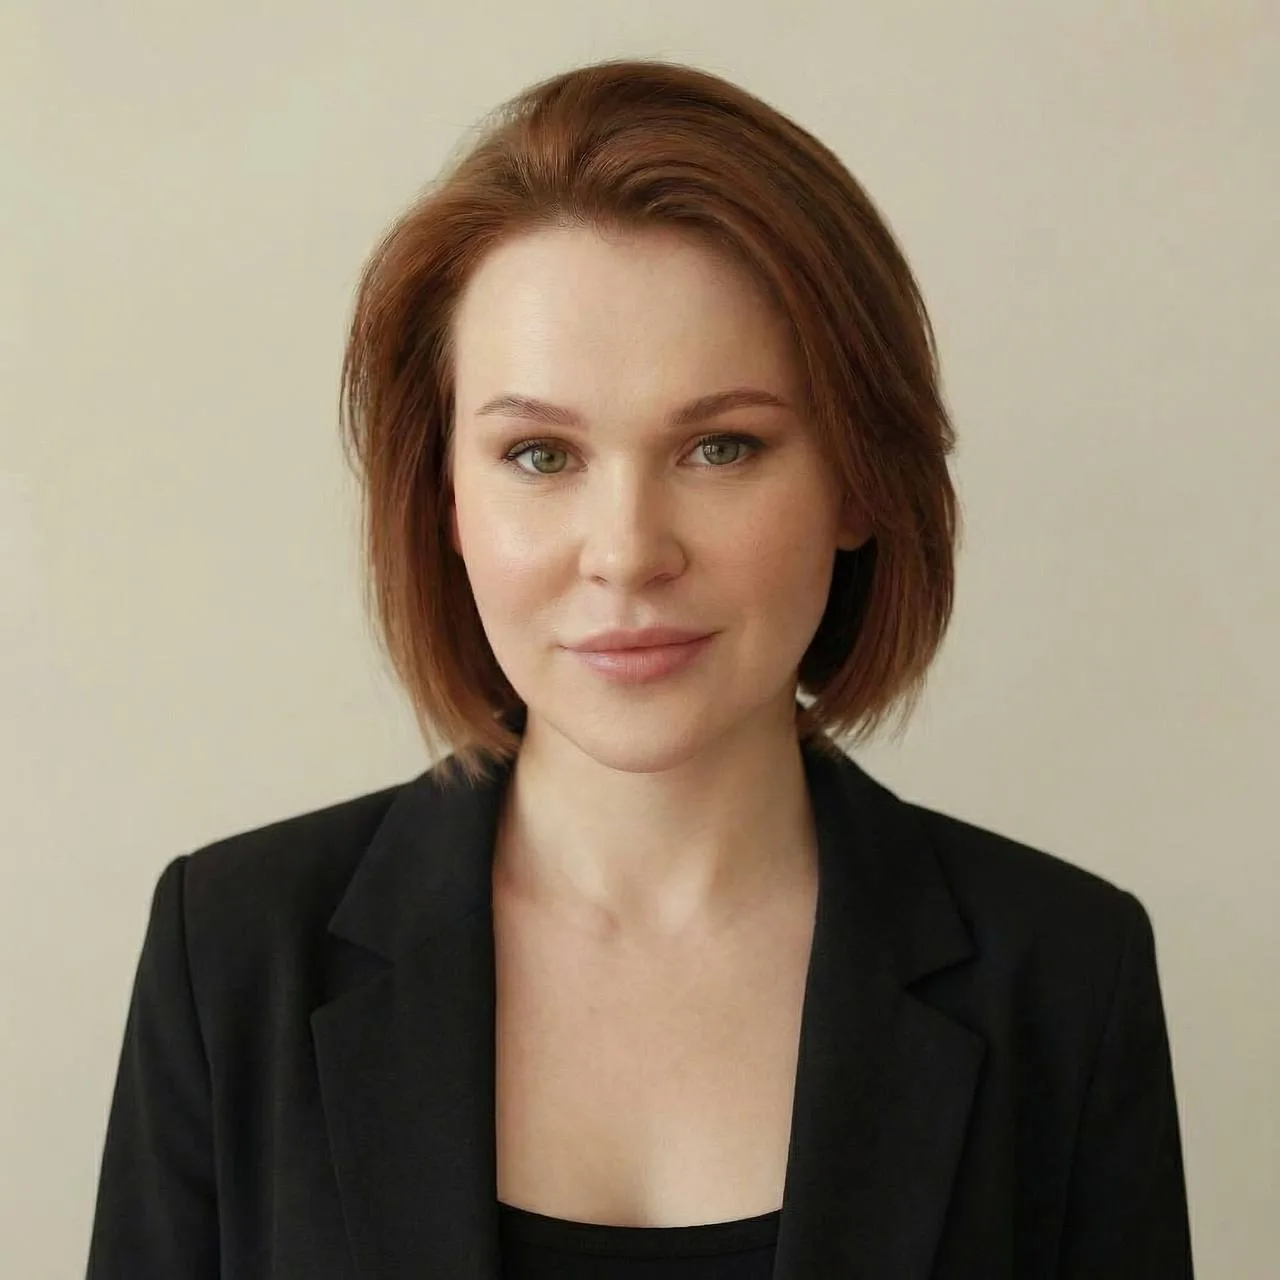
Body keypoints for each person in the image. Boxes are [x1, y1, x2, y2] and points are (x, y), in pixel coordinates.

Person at [85, 57, 1194, 1279]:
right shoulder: (231, 953)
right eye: (539, 454)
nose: (625, 551)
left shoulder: (1064, 974)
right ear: (442, 496)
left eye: (720, 446)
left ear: (857, 479)